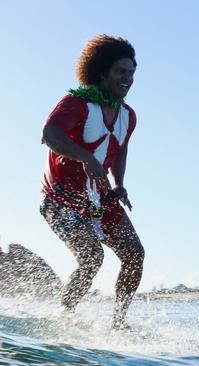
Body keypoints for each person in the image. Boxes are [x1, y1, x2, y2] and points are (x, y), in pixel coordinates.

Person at [40, 34, 144, 329]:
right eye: (121, 72)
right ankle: (64, 318)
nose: (128, 78)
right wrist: (85, 157)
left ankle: (118, 325)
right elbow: (50, 134)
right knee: (92, 257)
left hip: (98, 198)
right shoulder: (77, 103)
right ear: (101, 73)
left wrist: (119, 182)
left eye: (132, 73)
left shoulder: (128, 115)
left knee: (134, 255)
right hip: (59, 198)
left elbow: (120, 148)